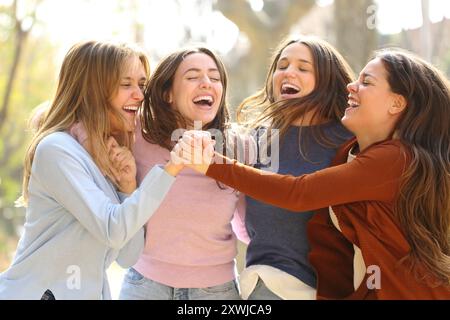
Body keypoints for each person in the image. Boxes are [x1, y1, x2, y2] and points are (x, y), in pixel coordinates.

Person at [174, 48, 450, 299]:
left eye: (367, 82)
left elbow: (299, 193)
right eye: (282, 64)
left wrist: (211, 163)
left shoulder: (393, 160)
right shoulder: (351, 153)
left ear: (396, 104)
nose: (351, 86)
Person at [0, 41, 181, 300]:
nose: (140, 95)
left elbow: (128, 255)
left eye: (141, 84)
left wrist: (128, 187)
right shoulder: (57, 150)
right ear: (93, 90)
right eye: (126, 84)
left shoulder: (104, 156)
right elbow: (112, 228)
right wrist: (171, 169)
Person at [225, 36, 354, 300]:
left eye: (303, 68)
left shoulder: (348, 141)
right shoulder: (257, 140)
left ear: (326, 80)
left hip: (328, 290)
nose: (288, 72)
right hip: (264, 285)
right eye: (281, 65)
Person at [118, 47, 244, 300]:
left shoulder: (241, 146)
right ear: (168, 94)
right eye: (193, 76)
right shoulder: (138, 133)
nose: (207, 83)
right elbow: (86, 122)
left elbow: (246, 229)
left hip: (216, 291)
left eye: (215, 77)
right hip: (145, 285)